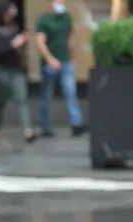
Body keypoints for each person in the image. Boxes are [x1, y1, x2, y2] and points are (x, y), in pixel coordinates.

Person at [35, 0, 86, 137]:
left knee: (70, 92)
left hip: (65, 61)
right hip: (49, 63)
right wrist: (49, 59)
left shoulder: (66, 18)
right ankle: (46, 127)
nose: (60, 3)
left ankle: (76, 123)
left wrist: (72, 58)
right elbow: (40, 42)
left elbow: (70, 39)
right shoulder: (44, 20)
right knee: (46, 95)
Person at [0, 0, 36, 143]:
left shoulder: (14, 27)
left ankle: (27, 130)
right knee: (1, 101)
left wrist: (22, 44)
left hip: (16, 69)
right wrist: (13, 44)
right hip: (1, 70)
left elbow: (18, 48)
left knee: (21, 99)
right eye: (9, 12)